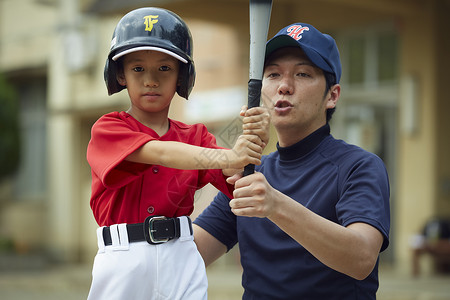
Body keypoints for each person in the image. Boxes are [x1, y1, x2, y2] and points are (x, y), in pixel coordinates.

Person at [193, 22, 390, 300]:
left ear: (332, 96)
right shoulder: (250, 174)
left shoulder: (359, 166)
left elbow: (361, 259)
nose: (284, 86)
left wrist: (275, 205)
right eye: (273, 74)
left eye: (302, 73)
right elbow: (191, 255)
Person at [86, 7, 268, 300]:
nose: (151, 80)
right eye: (137, 68)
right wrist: (229, 156)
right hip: (123, 258)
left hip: (182, 254)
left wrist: (252, 141)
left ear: (182, 75)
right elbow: (160, 153)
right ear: (119, 74)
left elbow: (237, 178)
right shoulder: (108, 128)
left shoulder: (195, 136)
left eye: (164, 68)